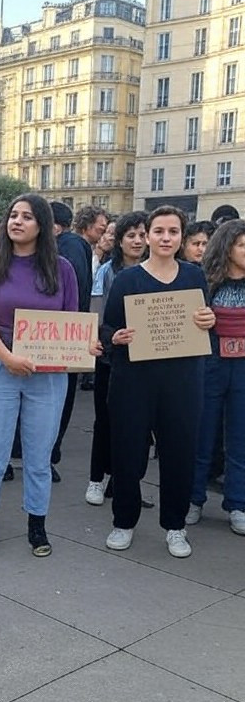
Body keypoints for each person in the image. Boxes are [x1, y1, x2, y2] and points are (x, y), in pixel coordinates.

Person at [0, 194, 81, 559]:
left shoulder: (61, 268)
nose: (16, 221)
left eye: (27, 216)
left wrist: (86, 347)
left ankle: (37, 524)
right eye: (13, 215)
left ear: (42, 225)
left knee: (38, 454)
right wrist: (7, 357)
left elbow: (72, 324)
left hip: (46, 373)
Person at [102, 205, 215, 558]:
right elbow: (107, 329)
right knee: (128, 452)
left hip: (182, 381)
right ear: (147, 235)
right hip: (134, 381)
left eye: (173, 232)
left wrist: (207, 319)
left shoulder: (195, 278)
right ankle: (124, 521)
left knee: (180, 452)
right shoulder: (127, 280)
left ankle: (175, 526)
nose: (166, 238)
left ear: (181, 238)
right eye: (159, 231)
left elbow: (203, 322)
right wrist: (116, 337)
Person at [186, 219, 245, 536]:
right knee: (202, 435)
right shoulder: (205, 283)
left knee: (240, 440)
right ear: (227, 248)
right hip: (211, 365)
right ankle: (193, 499)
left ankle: (238, 505)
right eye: (242, 245)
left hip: (244, 369)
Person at [85, 212, 147, 506]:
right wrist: (104, 339)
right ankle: (96, 479)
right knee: (105, 421)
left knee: (140, 427)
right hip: (111, 358)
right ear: (119, 240)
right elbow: (96, 311)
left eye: (142, 235)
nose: (138, 240)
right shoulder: (107, 271)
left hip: (147, 362)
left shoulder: (157, 271)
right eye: (131, 235)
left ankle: (126, 483)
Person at [49, 202, 93, 478]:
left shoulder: (67, 248)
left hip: (58, 333)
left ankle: (48, 454)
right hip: (70, 330)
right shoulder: (78, 245)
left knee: (56, 397)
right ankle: (48, 454)